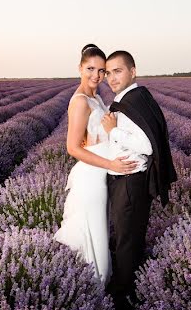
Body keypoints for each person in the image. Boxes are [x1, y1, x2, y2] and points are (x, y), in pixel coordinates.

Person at [53, 44, 139, 286]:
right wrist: (110, 162)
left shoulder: (97, 98)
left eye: (102, 71)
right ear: (79, 68)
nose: (96, 76)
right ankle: (89, 290)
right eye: (90, 69)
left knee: (98, 231)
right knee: (91, 233)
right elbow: (73, 148)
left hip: (101, 175)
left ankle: (92, 290)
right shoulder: (80, 101)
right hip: (91, 177)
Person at [102, 50, 177, 310]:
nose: (111, 77)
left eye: (118, 71)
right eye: (108, 73)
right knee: (127, 239)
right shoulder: (134, 99)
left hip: (130, 184)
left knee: (126, 244)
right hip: (127, 181)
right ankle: (128, 294)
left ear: (132, 72)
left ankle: (123, 304)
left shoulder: (131, 101)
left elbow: (146, 146)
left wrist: (113, 131)